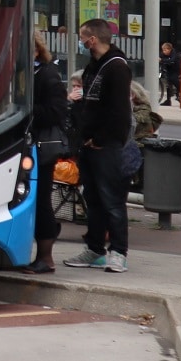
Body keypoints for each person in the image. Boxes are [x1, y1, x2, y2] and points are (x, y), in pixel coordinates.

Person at [64, 17, 133, 274]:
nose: (81, 42)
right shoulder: (94, 66)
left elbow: (119, 112)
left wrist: (101, 139)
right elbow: (90, 105)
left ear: (93, 39)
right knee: (93, 199)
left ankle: (118, 252)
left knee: (112, 200)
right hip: (89, 145)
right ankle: (95, 249)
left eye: (82, 37)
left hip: (107, 147)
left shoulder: (116, 67)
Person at [26, 37, 70, 273]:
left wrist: (25, 107)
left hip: (41, 147)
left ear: (36, 51)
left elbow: (57, 111)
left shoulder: (47, 75)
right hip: (27, 145)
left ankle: (45, 257)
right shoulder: (25, 74)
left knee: (41, 198)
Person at [158, 40, 181, 107]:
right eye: (163, 50)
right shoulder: (163, 54)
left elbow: (172, 61)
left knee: (175, 81)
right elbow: (160, 58)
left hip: (176, 70)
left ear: (169, 49)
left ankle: (179, 94)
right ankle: (168, 100)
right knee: (168, 84)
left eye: (165, 50)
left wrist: (162, 60)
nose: (163, 51)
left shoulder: (175, 54)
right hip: (169, 70)